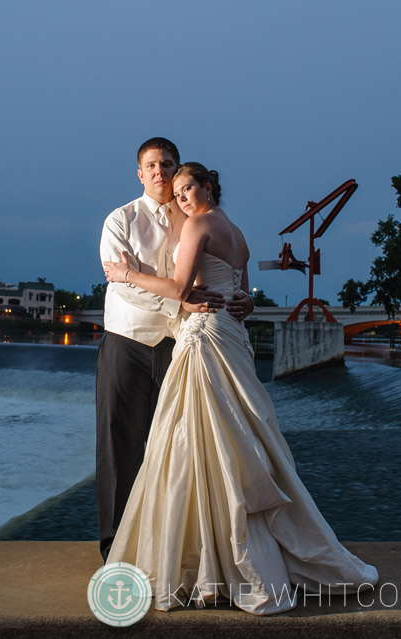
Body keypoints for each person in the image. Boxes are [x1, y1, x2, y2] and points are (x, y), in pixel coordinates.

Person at [101, 162, 378, 615]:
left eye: (189, 188)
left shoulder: (198, 224)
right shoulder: (238, 233)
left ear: (208, 187)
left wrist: (125, 274)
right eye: (178, 193)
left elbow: (178, 287)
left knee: (194, 441)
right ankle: (231, 552)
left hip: (206, 337)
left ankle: (205, 561)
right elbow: (244, 297)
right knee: (238, 434)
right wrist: (245, 301)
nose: (183, 198)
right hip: (232, 335)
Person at [97, 138, 254, 563]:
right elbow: (122, 285)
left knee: (177, 445)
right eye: (152, 165)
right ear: (140, 172)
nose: (161, 173)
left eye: (168, 165)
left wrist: (246, 300)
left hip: (184, 344)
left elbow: (226, 268)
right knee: (120, 445)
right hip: (128, 341)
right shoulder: (120, 219)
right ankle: (116, 549)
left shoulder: (193, 215)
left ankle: (168, 543)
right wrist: (180, 300)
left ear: (179, 169)